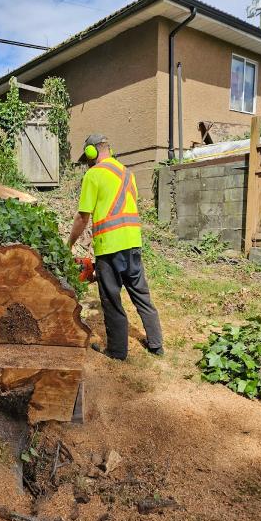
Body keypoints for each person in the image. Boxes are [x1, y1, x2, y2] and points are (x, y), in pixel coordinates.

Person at [68, 133, 163, 360]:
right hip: (133, 243)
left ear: (92, 152)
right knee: (141, 294)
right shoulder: (127, 173)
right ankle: (157, 345)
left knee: (111, 299)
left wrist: (69, 243)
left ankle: (117, 352)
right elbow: (119, 207)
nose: (88, 161)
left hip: (110, 248)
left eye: (88, 156)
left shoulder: (94, 174)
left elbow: (83, 217)